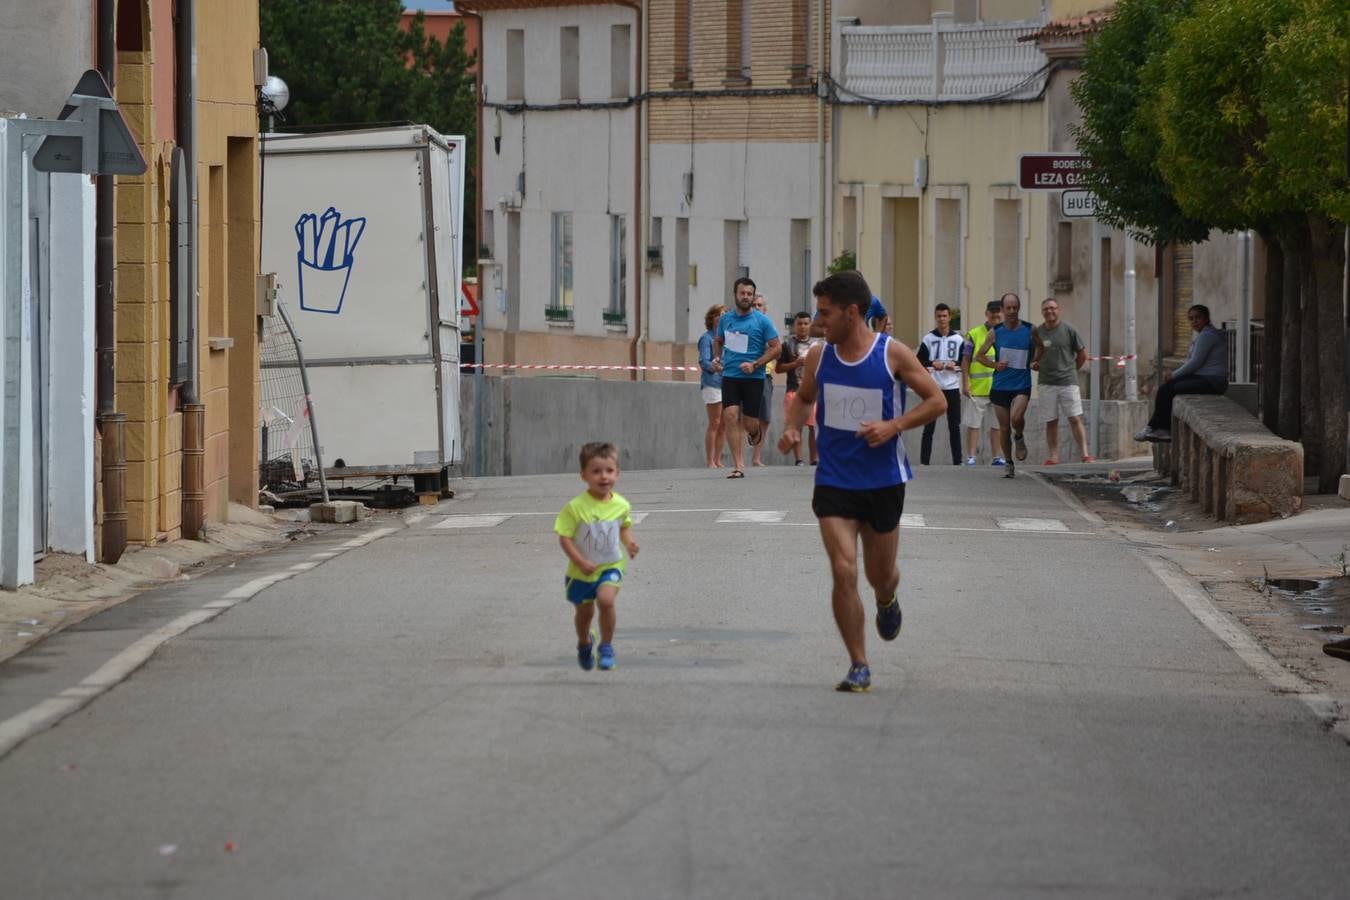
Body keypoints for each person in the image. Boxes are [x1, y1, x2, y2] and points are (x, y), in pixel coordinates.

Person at [778, 270, 946, 693]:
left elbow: (937, 400)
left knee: (880, 575)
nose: (818, 323)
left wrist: (895, 425)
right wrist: (793, 428)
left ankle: (887, 599)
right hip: (834, 480)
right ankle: (859, 663)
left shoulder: (893, 354)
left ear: (852, 313)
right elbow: (803, 400)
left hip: (883, 481)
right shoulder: (819, 356)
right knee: (842, 569)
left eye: (826, 314)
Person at [554, 442, 640, 672]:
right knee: (585, 614)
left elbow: (623, 526)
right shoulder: (575, 508)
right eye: (596, 471)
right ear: (583, 475)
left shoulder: (621, 505)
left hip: (610, 565)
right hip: (580, 573)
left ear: (617, 473)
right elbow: (565, 538)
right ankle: (584, 643)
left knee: (606, 601)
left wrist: (629, 543)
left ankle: (607, 646)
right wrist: (580, 562)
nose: (604, 477)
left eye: (609, 471)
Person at [712, 277, 781, 478]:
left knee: (749, 423)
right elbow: (718, 340)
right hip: (730, 376)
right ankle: (738, 465)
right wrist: (717, 358)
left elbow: (777, 348)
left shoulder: (762, 321)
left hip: (754, 377)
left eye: (749, 294)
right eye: (742, 293)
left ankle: (754, 431)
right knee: (731, 416)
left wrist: (756, 364)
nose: (745, 297)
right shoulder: (726, 319)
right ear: (735, 295)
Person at [1135, 304, 1228, 442]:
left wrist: (1174, 375)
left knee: (1170, 389)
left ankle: (1158, 428)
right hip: (1205, 378)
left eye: (1198, 318)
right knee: (1166, 388)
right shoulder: (1204, 335)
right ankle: (1157, 428)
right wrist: (1175, 375)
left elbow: (1195, 363)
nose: (1194, 321)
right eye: (1191, 319)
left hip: (1213, 382)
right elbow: (1192, 362)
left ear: (1207, 318)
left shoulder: (1207, 335)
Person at [975, 292, 1034, 479]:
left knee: (1016, 418)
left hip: (1021, 383)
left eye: (1015, 308)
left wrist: (1035, 361)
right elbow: (980, 355)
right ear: (1002, 309)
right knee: (1004, 428)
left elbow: (1040, 347)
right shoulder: (995, 332)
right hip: (1001, 385)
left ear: (1019, 308)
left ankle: (1020, 436)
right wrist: (995, 365)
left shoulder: (1029, 329)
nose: (1011, 311)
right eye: (1008, 308)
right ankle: (1008, 462)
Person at [1030, 298, 1093, 464]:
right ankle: (1053, 456)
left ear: (1059, 310)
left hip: (1068, 382)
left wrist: (1071, 371)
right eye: (1046, 309)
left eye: (1052, 308)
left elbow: (1082, 355)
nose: (1049, 312)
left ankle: (1085, 454)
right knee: (1051, 421)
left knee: (1075, 418)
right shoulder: (1038, 332)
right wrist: (1034, 363)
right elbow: (1035, 353)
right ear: (1042, 312)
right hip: (1046, 383)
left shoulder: (1069, 330)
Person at [915, 303, 964, 466]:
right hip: (933, 387)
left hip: (952, 387)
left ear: (950, 317)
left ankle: (958, 462)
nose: (942, 319)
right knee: (929, 427)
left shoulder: (958, 339)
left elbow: (965, 363)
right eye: (939, 316)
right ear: (935, 318)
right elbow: (918, 361)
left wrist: (954, 364)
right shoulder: (928, 339)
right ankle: (924, 462)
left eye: (944, 316)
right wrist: (931, 363)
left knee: (954, 426)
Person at [961, 300, 1005, 467]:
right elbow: (965, 360)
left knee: (997, 425)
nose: (995, 315)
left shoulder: (1007, 333)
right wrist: (965, 383)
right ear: (986, 313)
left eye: (998, 312)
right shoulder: (974, 334)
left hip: (999, 388)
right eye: (992, 312)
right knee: (973, 425)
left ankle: (996, 457)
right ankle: (971, 457)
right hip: (977, 389)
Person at [780, 311, 819, 466]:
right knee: (796, 426)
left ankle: (814, 459)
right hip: (794, 389)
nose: (803, 327)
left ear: (810, 325)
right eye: (800, 324)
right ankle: (799, 459)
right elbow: (779, 368)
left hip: (814, 391)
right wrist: (795, 364)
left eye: (806, 323)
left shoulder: (818, 345)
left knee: (814, 426)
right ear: (794, 325)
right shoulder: (787, 345)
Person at [698, 304, 727, 468]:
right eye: (719, 315)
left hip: (726, 382)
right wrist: (714, 367)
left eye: (724, 315)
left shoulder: (726, 338)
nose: (722, 317)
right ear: (712, 318)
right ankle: (709, 460)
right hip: (712, 382)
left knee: (724, 424)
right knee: (715, 422)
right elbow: (704, 361)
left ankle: (718, 459)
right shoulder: (706, 338)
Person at [751, 294, 775, 467]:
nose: (757, 307)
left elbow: (776, 349)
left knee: (764, 418)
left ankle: (756, 457)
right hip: (746, 376)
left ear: (764, 309)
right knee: (743, 417)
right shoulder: (744, 325)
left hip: (765, 376)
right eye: (754, 305)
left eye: (760, 305)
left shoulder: (769, 328)